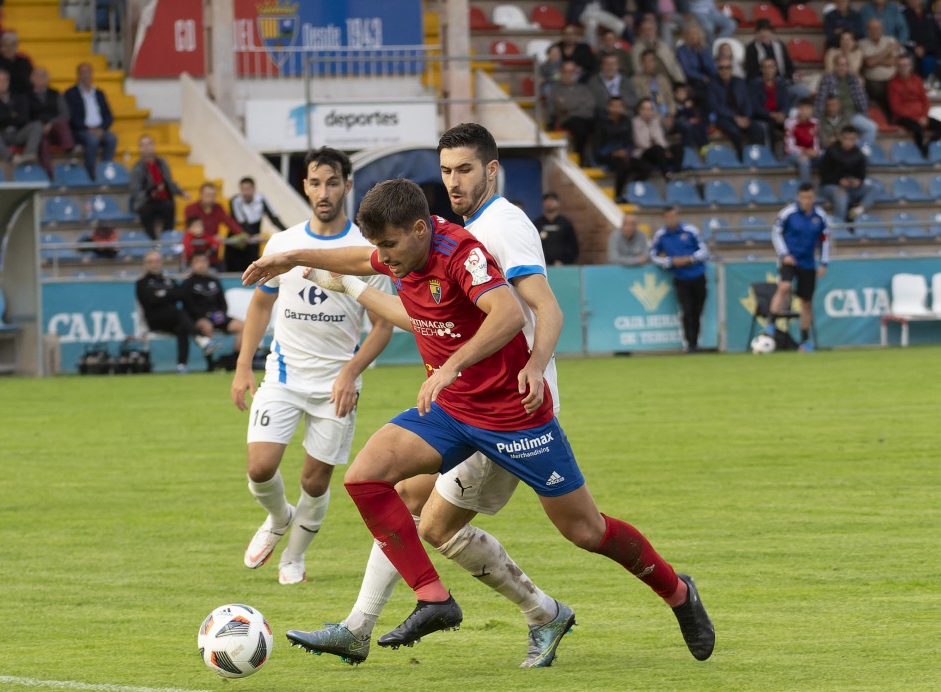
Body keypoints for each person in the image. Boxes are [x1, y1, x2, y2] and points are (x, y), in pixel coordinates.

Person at [245, 177, 715, 662]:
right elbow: (359, 260)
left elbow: (509, 312)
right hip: (452, 412)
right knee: (367, 477)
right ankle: (432, 598)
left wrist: (451, 366)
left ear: (420, 229)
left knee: (586, 532)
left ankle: (677, 592)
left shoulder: (462, 252)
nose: (382, 258)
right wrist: (293, 257)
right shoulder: (403, 250)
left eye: (388, 245)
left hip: (513, 418)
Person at [229, 146, 394, 586]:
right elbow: (261, 306)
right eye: (316, 182)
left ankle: (293, 560)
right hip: (283, 376)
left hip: (335, 384)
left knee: (315, 481)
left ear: (347, 185)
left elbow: (382, 325)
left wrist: (350, 372)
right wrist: (244, 364)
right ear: (304, 185)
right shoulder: (283, 244)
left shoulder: (366, 250)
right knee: (259, 469)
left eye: (332, 182)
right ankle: (279, 517)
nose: (324, 192)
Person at [769, 183, 830, 353]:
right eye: (803, 197)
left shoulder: (820, 216)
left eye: (809, 197)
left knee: (806, 302)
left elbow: (824, 240)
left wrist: (824, 262)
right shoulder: (788, 213)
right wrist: (784, 254)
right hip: (790, 260)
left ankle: (804, 341)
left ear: (814, 197)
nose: (806, 200)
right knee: (784, 286)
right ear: (798, 197)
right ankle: (770, 326)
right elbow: (776, 233)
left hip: (808, 262)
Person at [649, 205, 710, 353]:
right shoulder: (661, 235)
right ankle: (689, 344)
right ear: (665, 218)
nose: (672, 219)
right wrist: (670, 262)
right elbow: (652, 255)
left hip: (698, 275)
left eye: (675, 216)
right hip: (680, 278)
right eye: (669, 217)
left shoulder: (690, 230)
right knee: (687, 310)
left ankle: (696, 341)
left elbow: (704, 250)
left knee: (698, 310)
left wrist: (689, 259)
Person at [133, 250, 201, 374]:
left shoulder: (169, 281)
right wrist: (169, 295)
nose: (154, 264)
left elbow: (180, 295)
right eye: (150, 262)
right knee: (177, 312)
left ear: (161, 263)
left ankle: (182, 365)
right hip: (155, 320)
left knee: (182, 327)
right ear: (145, 264)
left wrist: (162, 295)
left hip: (172, 319)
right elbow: (150, 301)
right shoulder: (142, 283)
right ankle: (199, 337)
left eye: (157, 261)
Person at [178, 250, 243, 355]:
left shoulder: (214, 281)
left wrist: (221, 313)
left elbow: (223, 303)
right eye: (198, 262)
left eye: (204, 261)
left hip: (218, 317)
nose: (201, 265)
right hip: (200, 318)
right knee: (206, 326)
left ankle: (236, 359)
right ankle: (211, 363)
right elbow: (189, 307)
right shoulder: (188, 283)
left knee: (242, 326)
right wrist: (208, 315)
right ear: (192, 265)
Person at [130, 134, 189, 240]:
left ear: (153, 146)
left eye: (149, 144)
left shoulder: (162, 163)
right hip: (147, 201)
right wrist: (149, 194)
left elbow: (169, 182)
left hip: (163, 199)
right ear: (140, 148)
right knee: (145, 211)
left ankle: (166, 238)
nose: (146, 147)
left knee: (170, 206)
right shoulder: (137, 167)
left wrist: (181, 192)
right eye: (143, 145)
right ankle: (152, 240)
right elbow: (135, 190)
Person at [64, 62, 117, 181]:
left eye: (88, 72)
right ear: (78, 75)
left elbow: (108, 115)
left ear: (92, 74)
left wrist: (102, 129)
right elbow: (71, 118)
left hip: (100, 128)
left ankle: (104, 170)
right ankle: (90, 174)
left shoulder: (99, 93)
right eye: (83, 72)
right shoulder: (71, 94)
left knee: (111, 138)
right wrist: (88, 129)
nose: (86, 75)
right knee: (92, 140)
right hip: (82, 130)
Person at [0, 68, 42, 165]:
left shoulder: (19, 96)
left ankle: (28, 156)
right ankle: (9, 157)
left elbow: (24, 118)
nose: (2, 84)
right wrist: (11, 115)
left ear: (8, 82)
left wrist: (4, 116)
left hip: (17, 133)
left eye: (4, 80)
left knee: (37, 125)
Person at [707, 58, 768, 155]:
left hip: (742, 117)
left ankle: (753, 155)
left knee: (758, 129)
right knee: (734, 132)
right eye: (721, 68)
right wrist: (734, 117)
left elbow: (747, 101)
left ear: (731, 69)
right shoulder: (712, 85)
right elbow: (716, 107)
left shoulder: (739, 82)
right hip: (724, 118)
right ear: (717, 70)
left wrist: (747, 117)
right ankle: (741, 156)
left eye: (727, 68)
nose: (724, 70)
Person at [816, 54, 879, 146]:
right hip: (837, 117)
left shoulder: (853, 79)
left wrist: (865, 114)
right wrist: (819, 118)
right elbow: (821, 100)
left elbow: (862, 99)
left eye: (845, 65)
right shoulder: (827, 79)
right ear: (835, 66)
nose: (842, 68)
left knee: (872, 127)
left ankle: (861, 152)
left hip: (853, 115)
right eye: (840, 65)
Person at [183, 183, 249, 270]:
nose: (211, 198)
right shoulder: (191, 209)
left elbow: (230, 222)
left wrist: (243, 234)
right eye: (208, 195)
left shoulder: (218, 208)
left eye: (213, 195)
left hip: (212, 254)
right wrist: (212, 238)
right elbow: (192, 229)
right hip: (196, 254)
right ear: (201, 195)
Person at [818, 125, 875, 223]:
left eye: (852, 139)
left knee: (874, 188)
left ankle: (857, 211)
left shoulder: (859, 154)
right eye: (846, 138)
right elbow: (824, 175)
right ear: (840, 138)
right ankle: (841, 225)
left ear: (856, 139)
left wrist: (858, 182)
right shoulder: (831, 151)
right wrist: (838, 181)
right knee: (841, 194)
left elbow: (861, 174)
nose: (848, 142)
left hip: (851, 187)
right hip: (831, 186)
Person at [888, 55, 941, 158]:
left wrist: (924, 116)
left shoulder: (917, 80)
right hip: (903, 117)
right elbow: (896, 107)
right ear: (897, 67)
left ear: (910, 66)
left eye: (906, 65)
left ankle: (928, 146)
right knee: (917, 129)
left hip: (921, 116)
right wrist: (917, 118)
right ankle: (921, 153)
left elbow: (925, 100)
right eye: (901, 65)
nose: (904, 68)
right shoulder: (893, 84)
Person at [594, 96, 643, 201]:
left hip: (624, 154)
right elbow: (598, 146)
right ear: (608, 107)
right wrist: (613, 152)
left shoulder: (626, 122)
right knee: (623, 165)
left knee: (645, 167)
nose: (617, 109)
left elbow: (630, 141)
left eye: (620, 106)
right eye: (614, 106)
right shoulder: (601, 124)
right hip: (607, 155)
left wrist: (626, 151)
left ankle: (632, 191)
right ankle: (618, 194)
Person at [28, 67, 75, 178]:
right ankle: (49, 176)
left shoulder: (56, 94)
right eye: (38, 76)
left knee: (63, 124)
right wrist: (40, 127)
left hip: (55, 130)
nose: (41, 78)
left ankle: (70, 153)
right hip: (36, 131)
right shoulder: (26, 96)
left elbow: (65, 114)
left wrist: (51, 124)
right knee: (43, 143)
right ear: (32, 79)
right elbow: (25, 117)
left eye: (44, 76)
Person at [230, 177, 287, 267]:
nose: (245, 193)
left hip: (254, 238)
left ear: (254, 189)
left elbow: (273, 218)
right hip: (240, 237)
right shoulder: (235, 200)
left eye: (248, 189)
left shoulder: (261, 199)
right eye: (243, 190)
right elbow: (240, 222)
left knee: (253, 266)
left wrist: (287, 231)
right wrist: (252, 235)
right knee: (236, 267)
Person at [548, 58, 597, 155]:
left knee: (599, 125)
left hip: (585, 118)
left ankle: (596, 158)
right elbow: (562, 106)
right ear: (561, 73)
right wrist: (579, 104)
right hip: (566, 120)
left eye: (571, 72)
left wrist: (571, 109)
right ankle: (579, 156)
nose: (568, 75)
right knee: (579, 127)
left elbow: (591, 105)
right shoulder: (555, 89)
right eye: (565, 72)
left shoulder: (583, 88)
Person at [749, 57, 792, 150]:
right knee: (767, 127)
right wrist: (772, 115)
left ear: (775, 68)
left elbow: (786, 103)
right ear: (761, 69)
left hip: (779, 115)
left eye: (770, 67)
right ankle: (769, 155)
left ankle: (791, 153)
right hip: (763, 117)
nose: (768, 70)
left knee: (793, 123)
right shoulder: (754, 85)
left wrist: (783, 113)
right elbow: (755, 107)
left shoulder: (781, 84)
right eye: (765, 67)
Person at [632, 98, 681, 178]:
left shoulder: (655, 122)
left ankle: (677, 173)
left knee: (677, 148)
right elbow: (640, 142)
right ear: (639, 110)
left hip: (658, 153)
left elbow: (660, 139)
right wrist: (659, 149)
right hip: (642, 153)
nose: (647, 112)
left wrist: (665, 150)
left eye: (650, 109)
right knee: (657, 149)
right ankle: (666, 174)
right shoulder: (634, 122)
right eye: (644, 109)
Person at [859, 18, 901, 105]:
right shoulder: (862, 43)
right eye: (872, 28)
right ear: (868, 30)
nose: (875, 31)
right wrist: (887, 51)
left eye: (877, 28)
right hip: (872, 83)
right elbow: (868, 63)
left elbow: (892, 61)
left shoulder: (890, 40)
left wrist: (874, 60)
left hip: (892, 80)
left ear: (882, 29)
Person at [632, 14, 684, 84]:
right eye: (644, 30)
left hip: (671, 80)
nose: (648, 33)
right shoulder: (637, 48)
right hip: (652, 83)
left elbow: (674, 65)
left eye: (650, 30)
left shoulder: (663, 45)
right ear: (640, 32)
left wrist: (681, 82)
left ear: (655, 31)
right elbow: (638, 70)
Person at [533, 191, 579, 265]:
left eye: (552, 200)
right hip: (542, 265)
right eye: (546, 201)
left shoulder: (565, 223)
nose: (549, 203)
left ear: (558, 203)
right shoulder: (537, 223)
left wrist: (564, 261)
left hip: (561, 266)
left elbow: (573, 247)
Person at [632, 49, 676, 125]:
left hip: (668, 116)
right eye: (646, 61)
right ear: (641, 64)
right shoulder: (636, 81)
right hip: (650, 117)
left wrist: (670, 115)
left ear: (656, 63)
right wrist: (660, 118)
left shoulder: (663, 79)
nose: (649, 64)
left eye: (652, 61)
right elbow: (640, 103)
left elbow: (670, 99)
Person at [784, 98, 821, 184]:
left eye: (809, 109)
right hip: (793, 155)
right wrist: (804, 151)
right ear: (799, 110)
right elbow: (789, 147)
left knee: (828, 156)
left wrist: (816, 152)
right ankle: (806, 190)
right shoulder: (790, 123)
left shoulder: (815, 123)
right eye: (804, 108)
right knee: (804, 161)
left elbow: (817, 142)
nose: (807, 111)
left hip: (811, 154)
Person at [675, 22, 716, 100]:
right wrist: (702, 77)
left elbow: (710, 67)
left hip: (707, 78)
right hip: (692, 79)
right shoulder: (682, 50)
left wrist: (716, 77)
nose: (693, 36)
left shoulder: (704, 48)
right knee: (705, 89)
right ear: (685, 36)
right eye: (690, 34)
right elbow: (686, 70)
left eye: (695, 33)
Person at [904, 0, 941, 82]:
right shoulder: (904, 15)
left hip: (931, 49)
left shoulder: (929, 12)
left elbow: (937, 35)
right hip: (913, 50)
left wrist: (926, 48)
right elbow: (903, 37)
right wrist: (915, 48)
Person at [0, 31, 31, 95]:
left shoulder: (24, 62)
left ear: (16, 46)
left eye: (12, 45)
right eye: (5, 45)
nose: (9, 49)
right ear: (0, 47)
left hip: (22, 97)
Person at [671, 82, 708, 150]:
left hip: (693, 122)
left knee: (701, 126)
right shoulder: (677, 105)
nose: (682, 94)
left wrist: (695, 118)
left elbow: (694, 113)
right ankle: (696, 148)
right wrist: (685, 108)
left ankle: (705, 145)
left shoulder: (689, 102)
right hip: (684, 124)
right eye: (680, 92)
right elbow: (678, 116)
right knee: (691, 129)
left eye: (683, 91)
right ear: (675, 94)